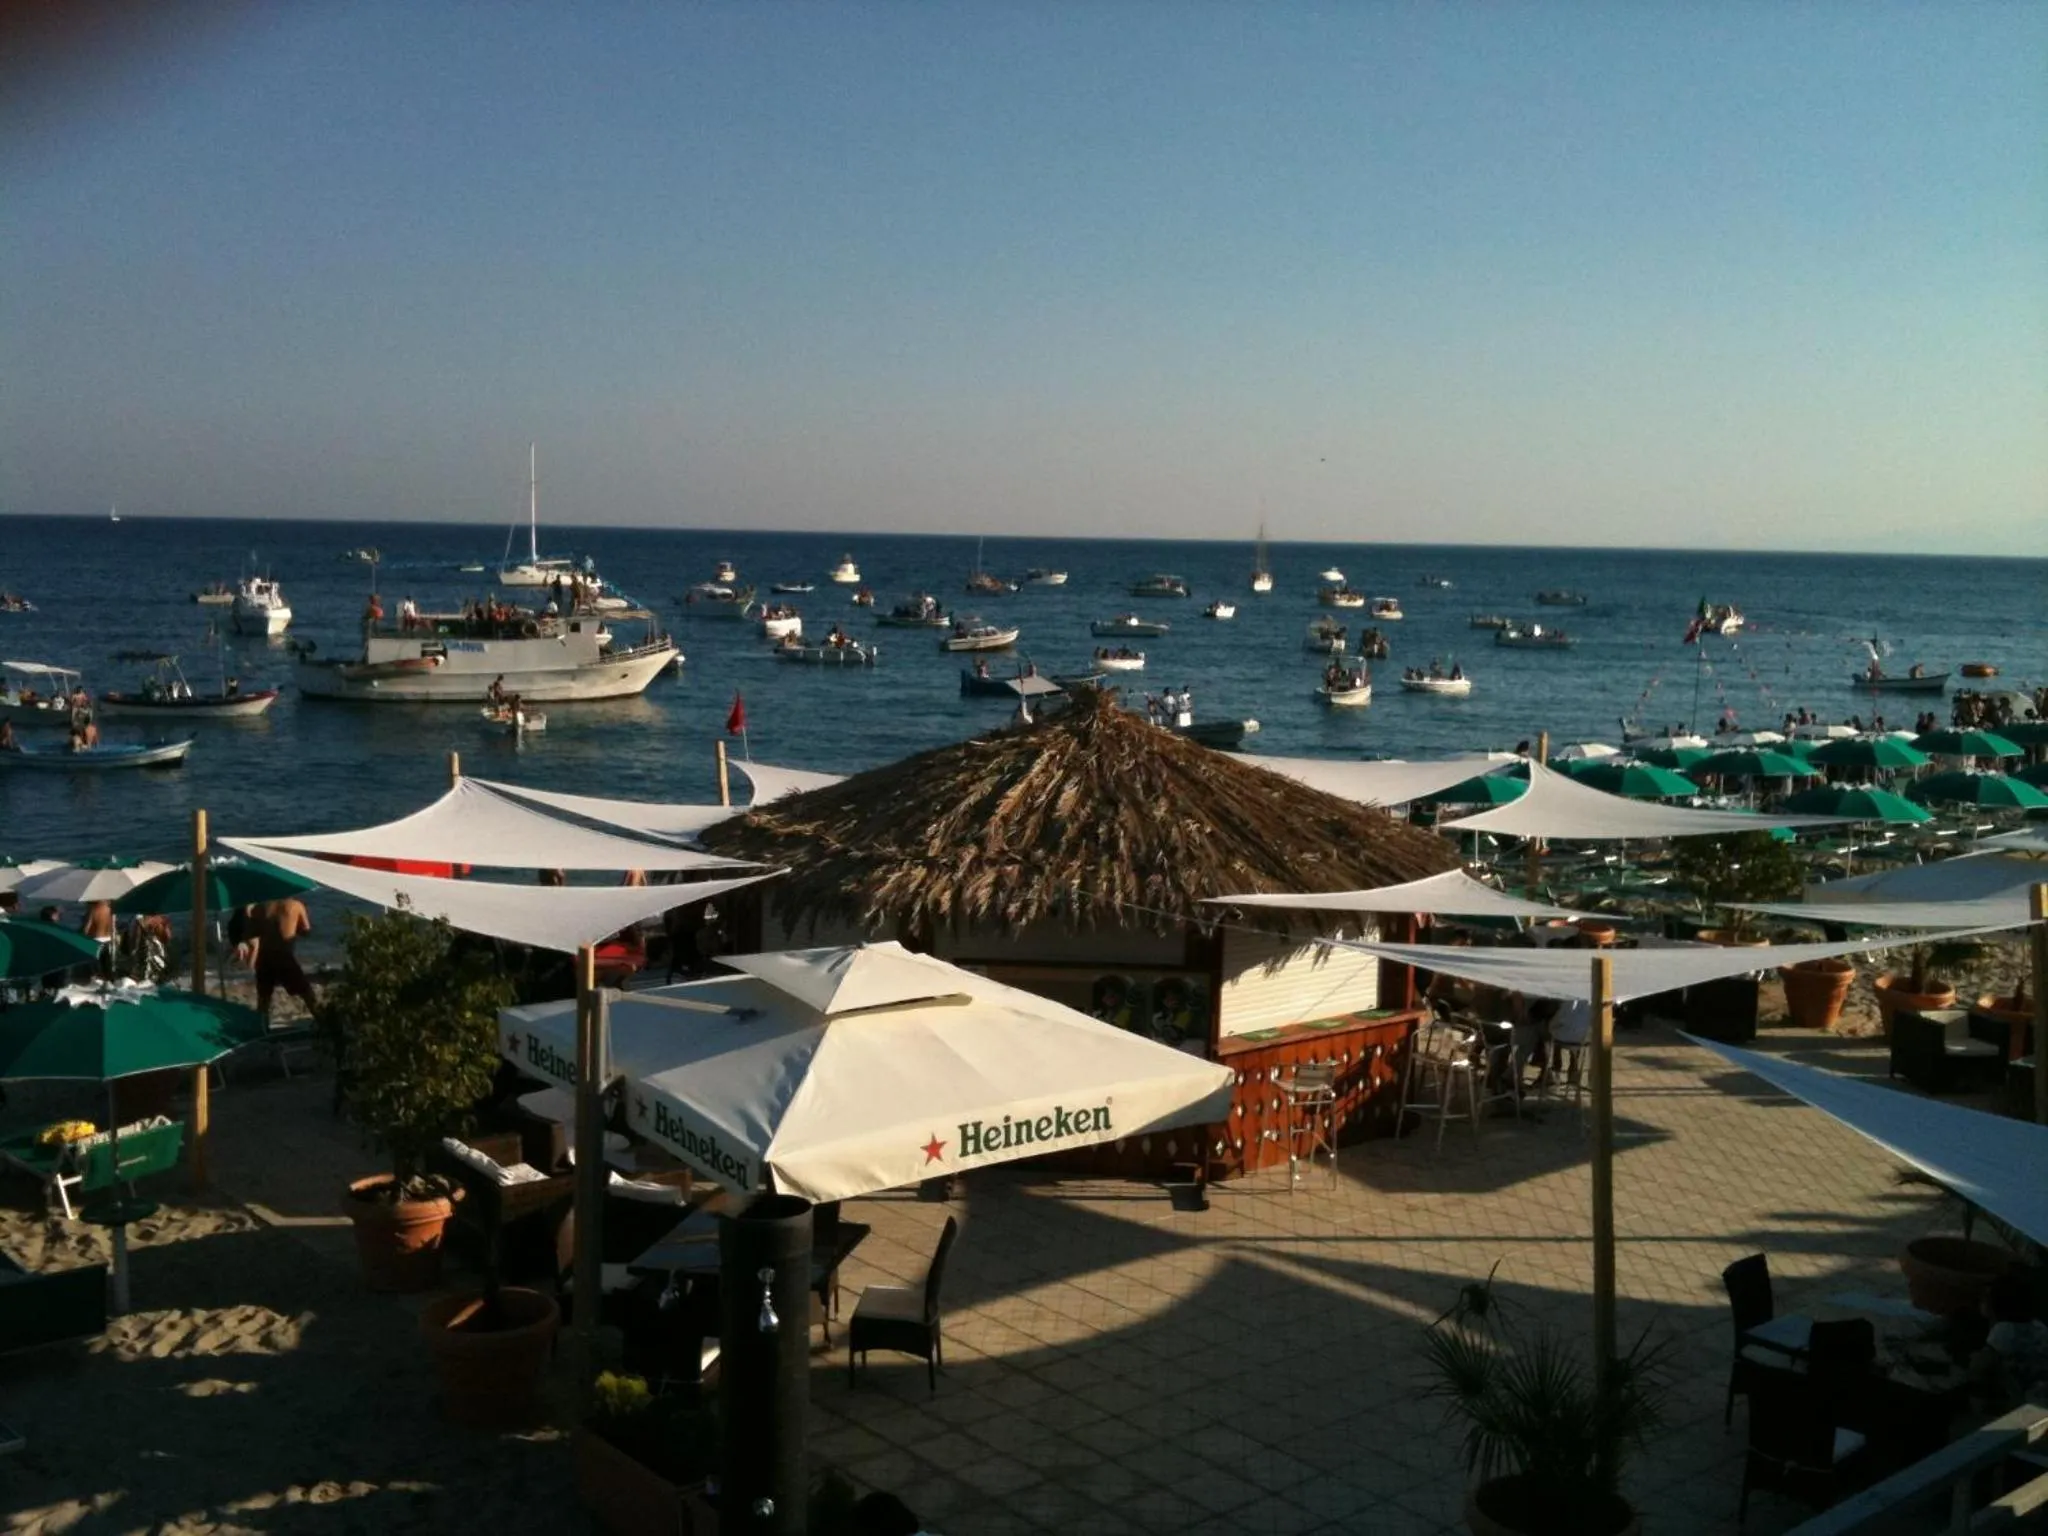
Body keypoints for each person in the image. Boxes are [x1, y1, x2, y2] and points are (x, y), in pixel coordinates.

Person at [250, 896, 316, 1021]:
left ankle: (261, 1027)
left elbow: (253, 930)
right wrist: (293, 928)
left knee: (264, 998)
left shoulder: (261, 906)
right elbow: (307, 931)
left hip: (264, 956)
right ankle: (324, 1023)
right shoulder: (295, 905)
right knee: (306, 993)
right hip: (283, 956)